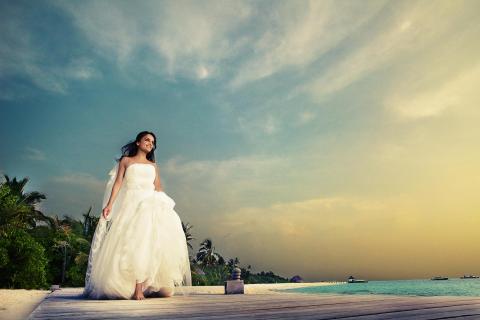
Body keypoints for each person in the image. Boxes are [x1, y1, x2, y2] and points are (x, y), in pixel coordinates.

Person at [83, 131, 192, 300]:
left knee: (146, 244)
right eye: (147, 140)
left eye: (153, 142)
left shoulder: (153, 166)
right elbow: (118, 183)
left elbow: (157, 186)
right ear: (138, 143)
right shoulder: (126, 161)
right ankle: (134, 288)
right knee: (130, 244)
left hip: (149, 205)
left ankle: (141, 287)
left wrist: (163, 204)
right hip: (131, 205)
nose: (150, 143)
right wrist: (110, 205)